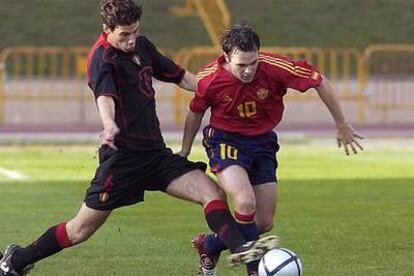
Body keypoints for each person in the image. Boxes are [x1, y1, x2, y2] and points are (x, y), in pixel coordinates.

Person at [0, 3, 278, 276]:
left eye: (135, 31)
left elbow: (180, 76)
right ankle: (16, 260)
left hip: (155, 154)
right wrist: (108, 124)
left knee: (212, 193)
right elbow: (104, 97)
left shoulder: (141, 46)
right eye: (124, 34)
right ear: (107, 29)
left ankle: (250, 262)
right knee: (80, 230)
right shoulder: (102, 58)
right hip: (122, 160)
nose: (131, 39)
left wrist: (214, 90)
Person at [179, 23, 364, 276]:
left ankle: (210, 244)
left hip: (263, 143)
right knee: (244, 202)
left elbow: (319, 81)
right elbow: (195, 111)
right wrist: (184, 151)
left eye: (253, 62)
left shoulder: (275, 67)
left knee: (262, 224)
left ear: (259, 53)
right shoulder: (210, 78)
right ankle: (255, 272)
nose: (248, 70)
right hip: (225, 140)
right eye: (240, 65)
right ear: (226, 57)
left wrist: (341, 124)